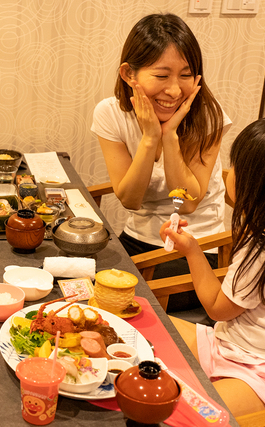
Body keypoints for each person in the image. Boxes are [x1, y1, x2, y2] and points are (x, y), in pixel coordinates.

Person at [162, 117, 265, 416]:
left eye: (236, 166)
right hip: (230, 343)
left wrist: (191, 251)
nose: (229, 172)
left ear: (259, 187)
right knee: (154, 330)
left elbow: (216, 308)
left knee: (191, 413)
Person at [91, 13, 232, 313]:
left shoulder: (207, 115)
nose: (174, 90)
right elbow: (130, 199)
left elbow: (190, 202)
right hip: (137, 240)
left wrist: (170, 139)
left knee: (121, 305)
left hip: (197, 250)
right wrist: (149, 137)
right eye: (161, 75)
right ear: (129, 74)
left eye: (185, 74)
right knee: (75, 282)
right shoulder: (110, 113)